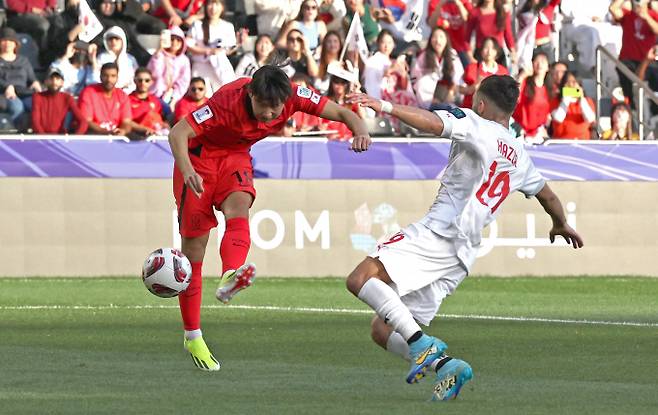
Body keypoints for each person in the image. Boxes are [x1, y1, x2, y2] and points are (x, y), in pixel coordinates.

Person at [344, 74, 583, 401]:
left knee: (360, 278)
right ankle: (447, 366)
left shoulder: (475, 123)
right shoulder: (518, 154)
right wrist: (560, 224)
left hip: (441, 232)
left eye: (475, 100)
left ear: (482, 104)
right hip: (463, 254)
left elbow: (430, 122)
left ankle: (422, 346)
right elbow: (549, 197)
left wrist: (383, 105)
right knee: (382, 329)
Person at [167, 64, 371, 371]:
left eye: (277, 107)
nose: (271, 113)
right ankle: (192, 335)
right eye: (264, 105)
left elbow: (344, 114)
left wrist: (362, 130)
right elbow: (178, 132)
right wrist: (187, 170)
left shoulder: (291, 96)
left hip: (235, 157)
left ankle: (230, 275)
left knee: (239, 208)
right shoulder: (225, 102)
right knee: (194, 251)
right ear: (251, 94)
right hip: (199, 161)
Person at [609, 0, 658, 107]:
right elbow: (613, 9)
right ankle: (631, 108)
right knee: (625, 75)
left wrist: (646, 17)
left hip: (648, 61)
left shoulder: (654, 14)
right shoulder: (628, 14)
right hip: (628, 60)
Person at [186, 0, 238, 95]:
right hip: (200, 66)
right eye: (210, 4)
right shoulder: (197, 25)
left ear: (222, 7)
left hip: (220, 67)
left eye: (217, 4)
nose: (213, 8)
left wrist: (239, 43)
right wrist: (209, 51)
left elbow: (229, 50)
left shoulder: (228, 26)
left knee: (224, 96)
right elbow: (188, 45)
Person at [411, 26, 464, 109]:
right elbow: (416, 78)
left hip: (449, 92)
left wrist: (451, 91)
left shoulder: (452, 54)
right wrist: (430, 99)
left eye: (441, 37)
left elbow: (458, 75)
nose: (438, 40)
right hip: (427, 97)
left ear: (446, 40)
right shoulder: (424, 56)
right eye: (434, 37)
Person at [0, 27, 41, 127]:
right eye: (4, 40)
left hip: (24, 92)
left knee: (38, 106)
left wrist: (36, 83)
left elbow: (31, 78)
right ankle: (16, 135)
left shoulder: (23, 60)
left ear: (15, 44)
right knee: (17, 107)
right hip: (5, 94)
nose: (7, 43)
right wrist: (7, 86)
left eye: (11, 41)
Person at [79, 62, 133, 135]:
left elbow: (126, 122)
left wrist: (123, 131)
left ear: (117, 77)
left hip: (116, 136)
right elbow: (86, 121)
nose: (109, 79)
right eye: (105, 76)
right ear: (100, 76)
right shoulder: (88, 92)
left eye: (113, 76)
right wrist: (107, 132)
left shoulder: (122, 96)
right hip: (94, 136)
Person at [32, 67, 88, 134]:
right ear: (45, 82)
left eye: (57, 79)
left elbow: (83, 122)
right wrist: (44, 138)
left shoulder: (67, 98)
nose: (54, 82)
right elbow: (35, 122)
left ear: (62, 82)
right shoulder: (37, 97)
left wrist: (75, 138)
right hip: (41, 138)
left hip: (60, 138)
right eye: (51, 79)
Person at [147, 26, 191, 109]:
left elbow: (184, 82)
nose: (174, 42)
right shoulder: (158, 55)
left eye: (178, 40)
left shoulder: (184, 60)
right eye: (172, 39)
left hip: (172, 97)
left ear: (183, 43)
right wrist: (158, 53)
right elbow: (154, 74)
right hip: (154, 94)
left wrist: (174, 97)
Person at [513, 51, 550, 142]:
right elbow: (513, 96)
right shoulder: (525, 83)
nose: (540, 64)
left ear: (548, 67)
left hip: (539, 134)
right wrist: (522, 76)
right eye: (537, 61)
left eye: (543, 61)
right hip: (521, 133)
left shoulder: (548, 88)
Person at [460, 37, 508, 108]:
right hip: (470, 110)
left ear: (497, 51)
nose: (489, 51)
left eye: (492, 48)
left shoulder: (503, 72)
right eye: (486, 47)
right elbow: (459, 89)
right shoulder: (472, 68)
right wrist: (473, 87)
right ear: (481, 50)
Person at [466, 0, 516, 68]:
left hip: (498, 56)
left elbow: (508, 35)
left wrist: (513, 52)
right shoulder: (475, 12)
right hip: (481, 55)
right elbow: (466, 37)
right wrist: (470, 56)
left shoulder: (503, 13)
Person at [427, 0, 474, 69]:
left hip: (461, 47)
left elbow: (468, 21)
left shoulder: (465, 2)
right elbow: (432, 24)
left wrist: (459, 4)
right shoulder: (434, 2)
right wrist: (439, 5)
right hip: (441, 48)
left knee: (467, 72)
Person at [549, 71, 596, 139]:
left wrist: (581, 100)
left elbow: (590, 119)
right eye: (568, 82)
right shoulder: (556, 101)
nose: (571, 85)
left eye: (574, 82)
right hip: (561, 141)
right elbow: (558, 118)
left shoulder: (587, 101)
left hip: (582, 141)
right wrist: (566, 100)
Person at [128, 67, 169, 139]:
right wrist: (143, 129)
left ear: (151, 82)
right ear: (134, 81)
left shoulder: (156, 100)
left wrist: (165, 125)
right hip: (137, 137)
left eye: (147, 80)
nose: (143, 83)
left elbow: (163, 118)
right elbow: (126, 122)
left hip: (158, 136)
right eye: (140, 80)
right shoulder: (127, 100)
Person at [97, 26, 139, 92]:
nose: (113, 41)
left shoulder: (130, 59)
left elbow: (136, 78)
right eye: (110, 39)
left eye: (116, 38)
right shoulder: (102, 57)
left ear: (123, 40)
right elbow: (97, 77)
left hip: (128, 94)